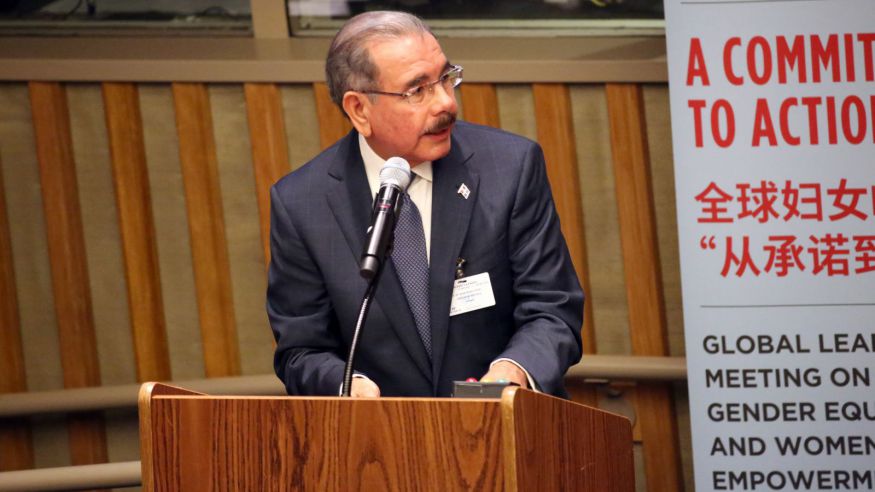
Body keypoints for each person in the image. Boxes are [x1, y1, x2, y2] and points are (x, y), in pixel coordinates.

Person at [267, 10, 583, 398]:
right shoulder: (302, 203)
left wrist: (513, 372)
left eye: (447, 79)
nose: (445, 103)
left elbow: (553, 308)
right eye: (417, 90)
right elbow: (302, 350)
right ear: (359, 109)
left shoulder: (509, 168)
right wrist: (350, 388)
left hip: (508, 431)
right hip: (380, 445)